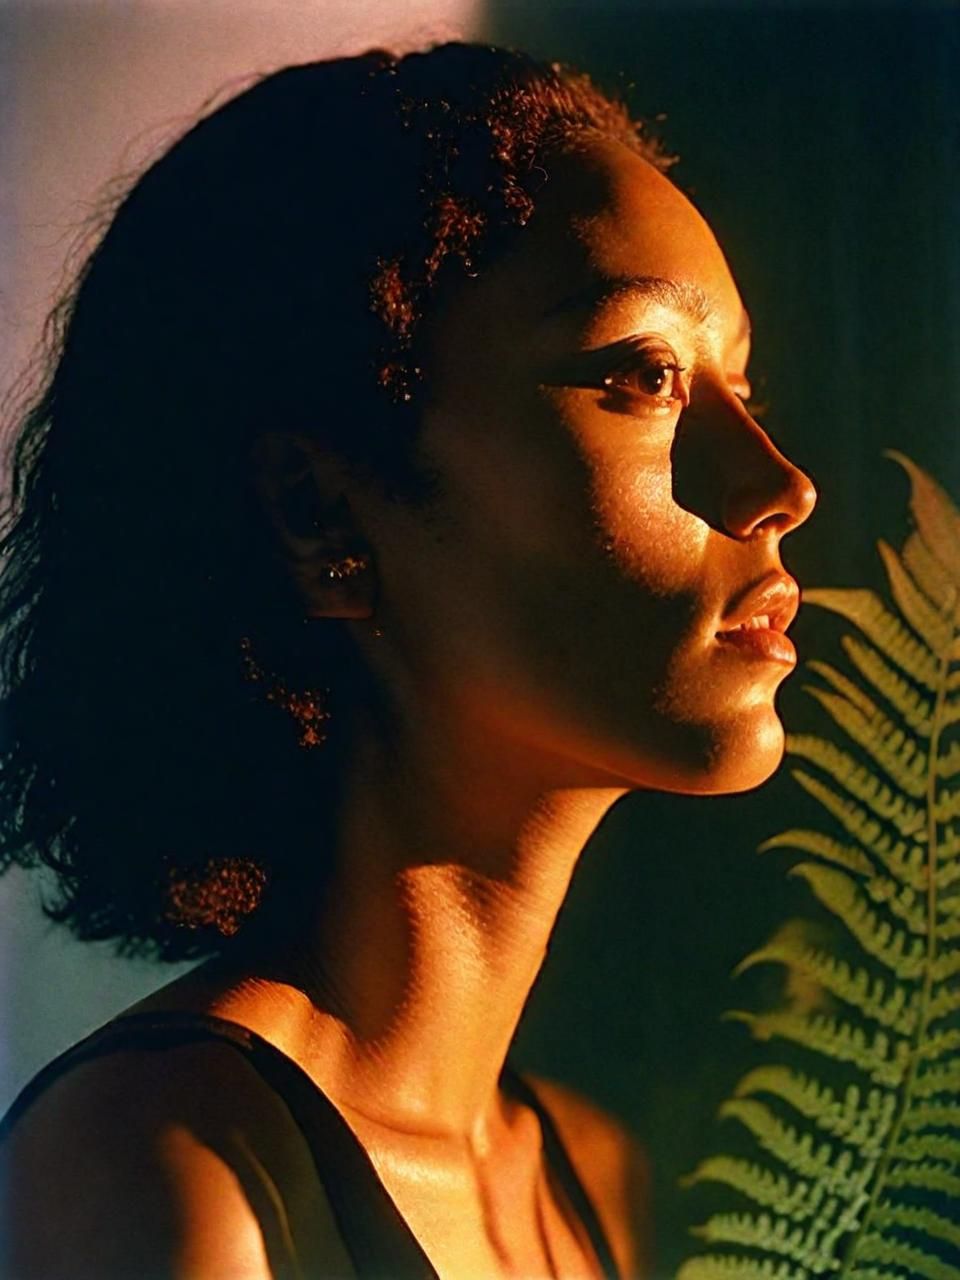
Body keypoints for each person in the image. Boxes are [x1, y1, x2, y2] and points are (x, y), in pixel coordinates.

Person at [0, 41, 816, 1279]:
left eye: (737, 384)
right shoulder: (165, 1176)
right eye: (643, 375)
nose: (777, 484)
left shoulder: (593, 1182)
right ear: (320, 510)